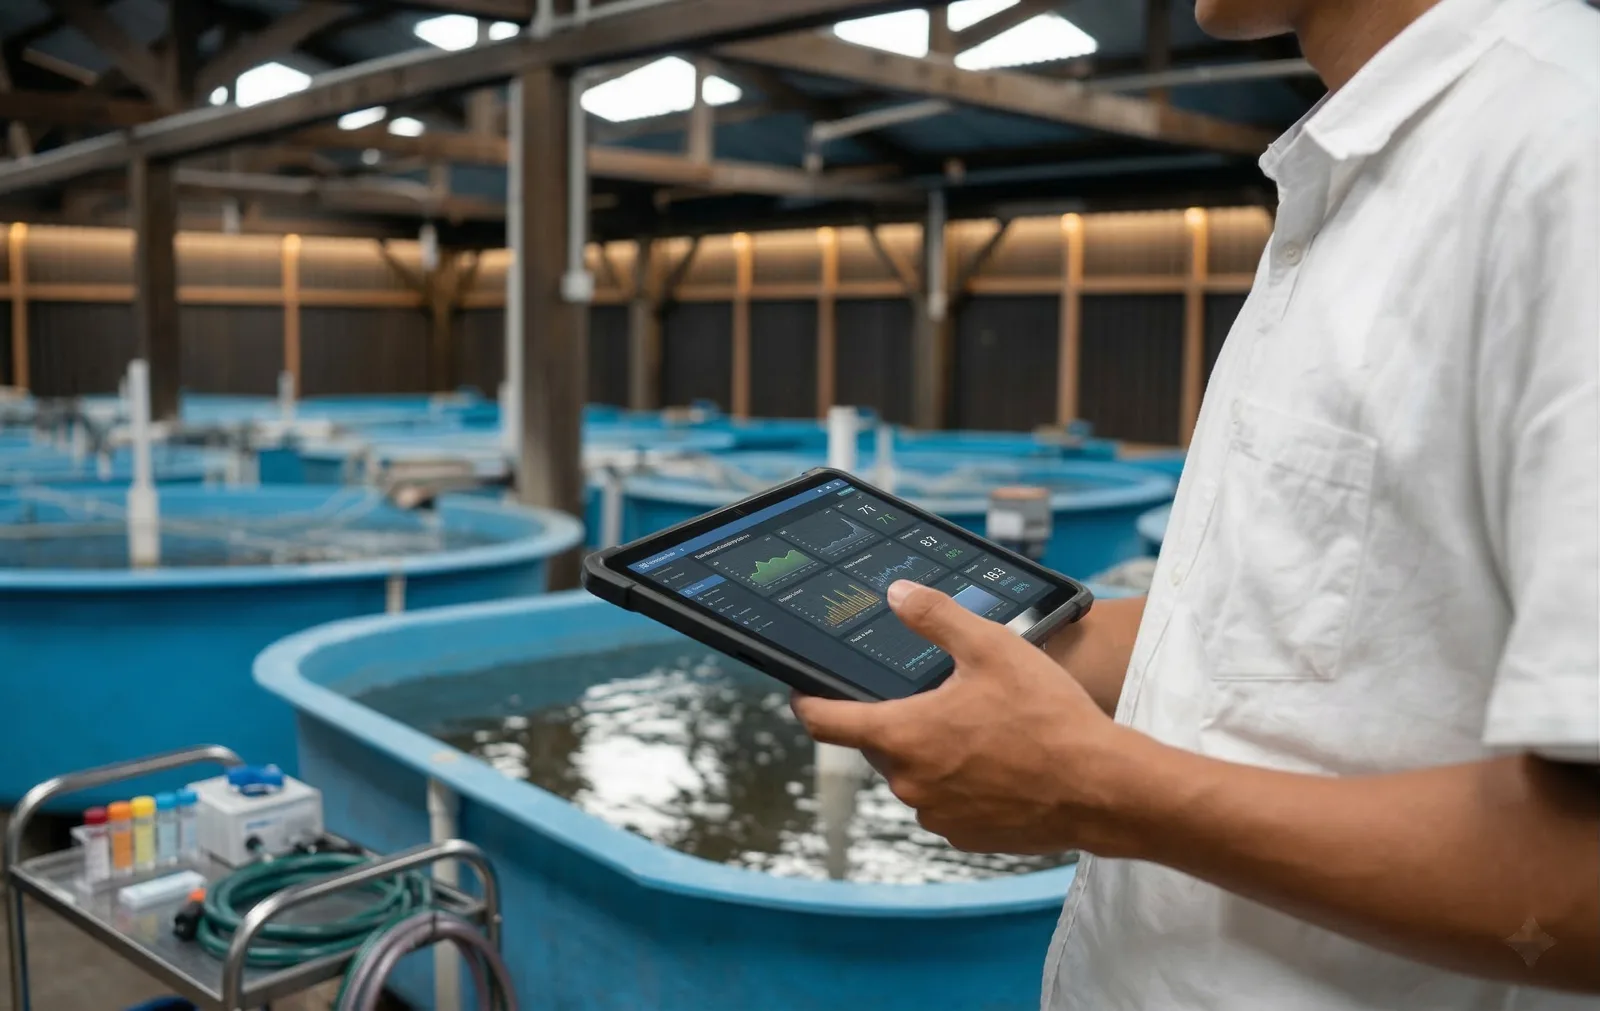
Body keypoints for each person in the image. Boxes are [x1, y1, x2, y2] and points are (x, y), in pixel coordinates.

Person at [793, 0, 1599, 1007]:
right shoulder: (1365, 171)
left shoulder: (1564, 153)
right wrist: (1011, 642)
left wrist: (1096, 789)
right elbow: (1312, 631)